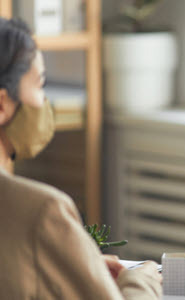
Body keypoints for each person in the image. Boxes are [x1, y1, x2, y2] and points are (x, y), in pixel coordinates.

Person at [0, 18, 162, 299]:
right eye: (40, 85)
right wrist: (141, 280)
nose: (45, 102)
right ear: (2, 105)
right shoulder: (41, 211)